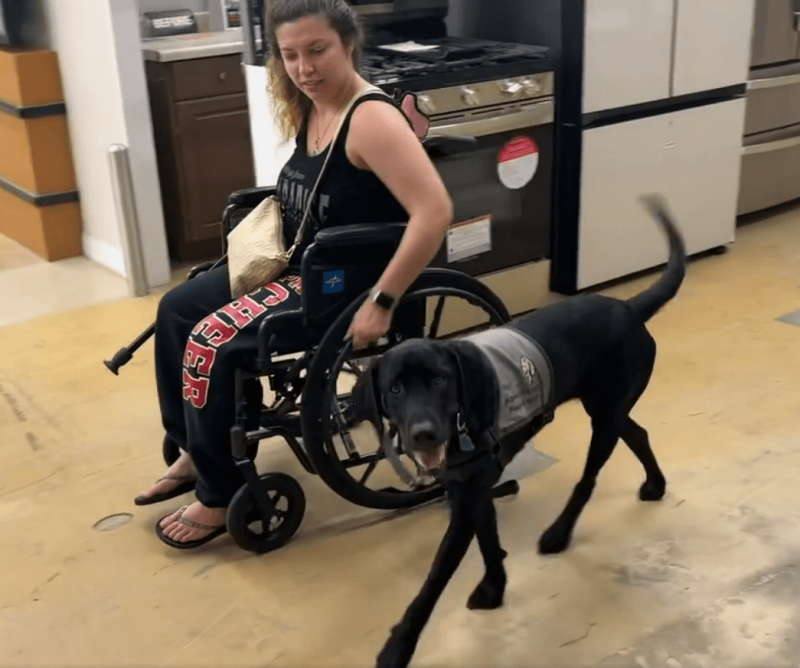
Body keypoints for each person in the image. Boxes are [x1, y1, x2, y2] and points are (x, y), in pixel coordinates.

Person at [134, 0, 454, 549]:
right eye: (290, 55)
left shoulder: (370, 118)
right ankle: (194, 443)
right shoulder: (313, 106)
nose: (304, 67)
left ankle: (218, 491)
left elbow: (434, 213)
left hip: (341, 284)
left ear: (347, 44)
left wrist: (382, 300)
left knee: (211, 339)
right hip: (297, 261)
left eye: (317, 50)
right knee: (177, 309)